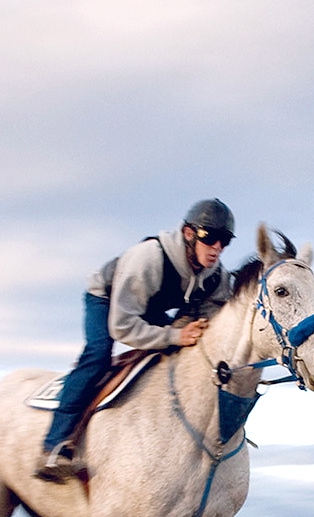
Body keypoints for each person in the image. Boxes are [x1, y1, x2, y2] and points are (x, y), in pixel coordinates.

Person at [36, 199, 236, 482]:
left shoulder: (215, 276)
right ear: (189, 234)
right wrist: (175, 335)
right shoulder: (149, 258)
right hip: (106, 299)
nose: (217, 247)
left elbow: (218, 306)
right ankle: (54, 445)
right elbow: (122, 327)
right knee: (98, 355)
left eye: (224, 240)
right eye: (209, 237)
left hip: (148, 305)